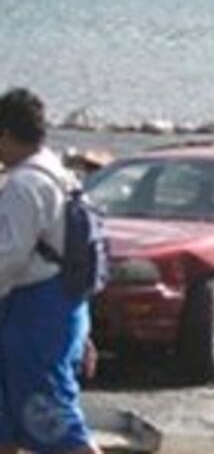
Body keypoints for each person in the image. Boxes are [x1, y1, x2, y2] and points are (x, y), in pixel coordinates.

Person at [0, 89, 99, 454]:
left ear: (6, 134)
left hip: (36, 315)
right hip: (64, 305)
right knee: (9, 419)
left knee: (53, 419)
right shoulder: (60, 173)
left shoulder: (25, 185)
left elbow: (8, 258)